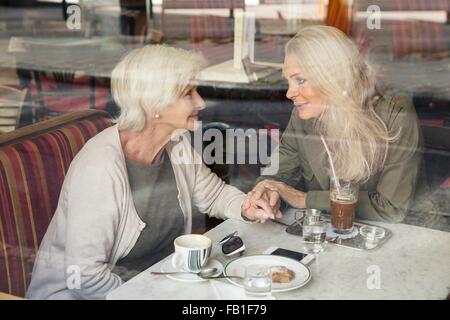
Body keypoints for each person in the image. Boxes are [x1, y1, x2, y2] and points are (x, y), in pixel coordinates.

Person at [26, 45, 278, 300]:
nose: (200, 102)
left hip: (159, 284)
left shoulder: (176, 143)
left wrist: (246, 207)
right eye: (188, 92)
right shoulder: (99, 168)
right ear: (152, 104)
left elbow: (213, 196)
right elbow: (85, 278)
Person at [250, 25, 423, 223]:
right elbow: (278, 173)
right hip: (328, 234)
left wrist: (305, 199)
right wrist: (265, 192)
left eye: (301, 80)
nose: (290, 93)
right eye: (289, 81)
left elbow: (390, 209)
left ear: (332, 78)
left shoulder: (395, 114)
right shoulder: (303, 116)